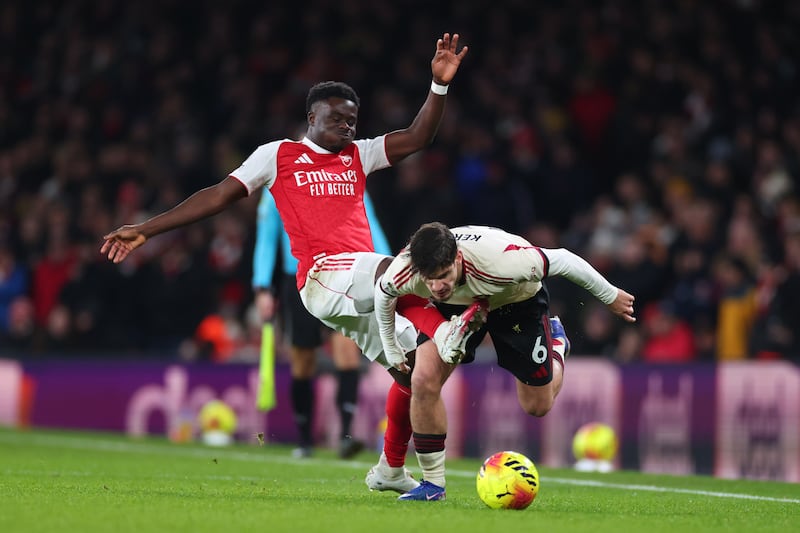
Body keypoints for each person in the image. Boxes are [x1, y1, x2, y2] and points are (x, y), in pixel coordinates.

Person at [101, 33, 480, 493]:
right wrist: (147, 228)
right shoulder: (278, 155)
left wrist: (438, 86)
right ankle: (451, 320)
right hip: (322, 278)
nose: (347, 127)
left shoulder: (358, 156)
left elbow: (419, 136)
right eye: (338, 119)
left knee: (417, 372)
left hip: (362, 280)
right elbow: (219, 195)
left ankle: (390, 470)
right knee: (395, 272)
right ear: (312, 117)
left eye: (353, 120)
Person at [375, 222, 636, 500]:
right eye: (429, 279)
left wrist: (609, 295)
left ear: (458, 258)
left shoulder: (505, 260)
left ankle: (557, 346)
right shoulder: (409, 267)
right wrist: (391, 348)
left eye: (443, 275)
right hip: (454, 308)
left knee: (537, 405)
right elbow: (384, 293)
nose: (437, 286)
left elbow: (563, 259)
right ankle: (433, 485)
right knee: (422, 380)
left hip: (515, 302)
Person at [252, 190, 392, 459]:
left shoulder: (347, 178)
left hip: (342, 275)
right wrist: (262, 286)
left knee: (347, 353)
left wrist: (390, 269)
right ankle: (305, 440)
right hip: (298, 279)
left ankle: (345, 437)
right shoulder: (279, 185)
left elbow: (369, 222)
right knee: (303, 361)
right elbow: (267, 237)